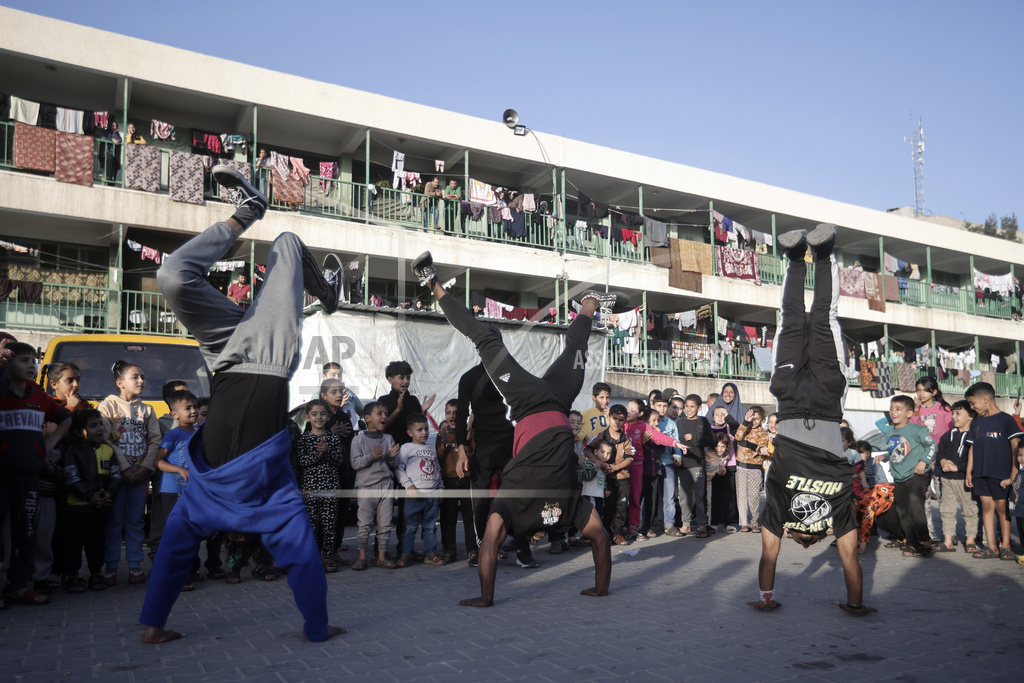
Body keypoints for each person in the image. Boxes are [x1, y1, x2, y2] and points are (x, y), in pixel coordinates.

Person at [138, 164, 345, 643]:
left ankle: (246, 213)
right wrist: (317, 629)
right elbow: (307, 565)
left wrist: (153, 627)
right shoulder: (277, 500)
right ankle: (327, 294)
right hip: (268, 356)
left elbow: (171, 557)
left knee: (171, 275)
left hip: (225, 356)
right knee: (288, 244)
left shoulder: (200, 501)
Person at [411, 250, 613, 605]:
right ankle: (433, 283)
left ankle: (590, 303)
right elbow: (491, 545)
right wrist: (484, 597)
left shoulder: (567, 506)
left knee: (555, 346)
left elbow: (599, 541)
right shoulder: (528, 504)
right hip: (550, 402)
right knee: (490, 339)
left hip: (548, 401)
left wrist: (601, 586)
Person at [751, 223, 875, 615]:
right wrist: (765, 600)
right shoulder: (781, 503)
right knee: (790, 315)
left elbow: (851, 561)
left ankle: (821, 255)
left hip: (825, 394)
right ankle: (794, 258)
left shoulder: (839, 504)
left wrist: (857, 603)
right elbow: (769, 554)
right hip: (787, 396)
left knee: (823, 315)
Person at [0, 342, 71, 607]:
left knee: (25, 532)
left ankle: (19, 586)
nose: (31, 366)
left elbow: (65, 418)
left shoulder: (39, 397)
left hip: (29, 475)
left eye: (33, 360)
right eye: (23, 360)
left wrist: (47, 446)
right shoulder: (2, 393)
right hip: (2, 474)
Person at [454, 361, 534, 569]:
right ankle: (483, 548)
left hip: (511, 445)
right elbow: (462, 413)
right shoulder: (470, 377)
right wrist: (461, 448)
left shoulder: (513, 373)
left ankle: (523, 548)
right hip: (484, 448)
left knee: (517, 499)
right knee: (479, 504)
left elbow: (527, 406)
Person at [98, 360, 161, 586]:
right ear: (120, 382)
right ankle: (111, 567)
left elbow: (155, 440)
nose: (141, 381)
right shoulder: (107, 407)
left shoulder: (147, 409)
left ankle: (135, 566)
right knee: (114, 522)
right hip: (117, 476)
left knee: (135, 522)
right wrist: (124, 467)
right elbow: (104, 439)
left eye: (142, 377)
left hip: (140, 477)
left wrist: (145, 467)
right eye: (135, 377)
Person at [61, 409, 120, 593]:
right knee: (74, 543)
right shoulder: (72, 451)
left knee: (96, 543)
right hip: (77, 509)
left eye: (100, 424)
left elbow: (116, 475)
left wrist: (109, 494)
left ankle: (96, 573)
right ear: (79, 431)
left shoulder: (108, 450)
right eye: (93, 426)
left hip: (99, 509)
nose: (100, 428)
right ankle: (73, 575)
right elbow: (71, 478)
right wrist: (89, 497)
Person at [872, 395, 937, 558]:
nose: (893, 412)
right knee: (902, 510)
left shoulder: (917, 430)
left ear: (909, 413)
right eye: (892, 408)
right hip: (899, 475)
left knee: (915, 503)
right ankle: (911, 542)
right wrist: (885, 456)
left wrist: (923, 462)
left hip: (918, 472)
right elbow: (898, 449)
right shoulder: (890, 431)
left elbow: (932, 445)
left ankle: (924, 542)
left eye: (898, 409)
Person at [149, 390, 201, 590]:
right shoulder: (174, 434)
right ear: (174, 414)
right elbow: (158, 462)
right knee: (173, 534)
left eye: (195, 406)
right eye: (187, 408)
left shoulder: (199, 433)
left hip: (192, 491)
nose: (193, 411)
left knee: (189, 532)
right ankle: (173, 576)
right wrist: (179, 469)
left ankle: (185, 572)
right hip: (172, 491)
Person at [964, 382, 1022, 560]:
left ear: (985, 399)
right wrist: (969, 471)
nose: (972, 407)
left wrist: (1013, 473)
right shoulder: (976, 422)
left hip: (1001, 473)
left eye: (973, 404)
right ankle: (991, 547)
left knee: (1002, 508)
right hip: (981, 473)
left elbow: (1015, 446)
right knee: (987, 507)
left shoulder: (1006, 419)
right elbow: (972, 448)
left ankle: (1005, 546)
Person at [624, 399, 685, 539]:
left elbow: (661, 443)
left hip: (653, 470)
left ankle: (648, 526)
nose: (656, 424)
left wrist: (676, 444)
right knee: (636, 499)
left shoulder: (650, 429)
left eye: (632, 409)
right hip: (636, 469)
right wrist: (644, 441)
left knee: (651, 500)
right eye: (653, 421)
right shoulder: (627, 426)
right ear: (644, 418)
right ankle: (629, 527)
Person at [296, 400, 345, 573]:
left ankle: (328, 557)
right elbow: (302, 462)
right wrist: (319, 453)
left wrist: (327, 451)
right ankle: (312, 557)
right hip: (310, 490)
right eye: (314, 414)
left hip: (330, 488)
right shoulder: (304, 439)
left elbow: (339, 460)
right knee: (312, 525)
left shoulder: (332, 438)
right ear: (307, 417)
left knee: (329, 525)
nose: (319, 417)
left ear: (328, 416)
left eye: (322, 414)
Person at [350, 402, 400, 570]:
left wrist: (392, 457)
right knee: (364, 524)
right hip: (366, 488)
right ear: (368, 418)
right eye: (380, 413)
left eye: (386, 413)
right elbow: (356, 464)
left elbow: (394, 464)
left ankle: (382, 557)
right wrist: (373, 456)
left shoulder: (388, 438)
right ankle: (362, 557)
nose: (384, 417)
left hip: (386, 485)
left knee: (385, 524)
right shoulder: (358, 440)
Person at [397, 413, 445, 566]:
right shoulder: (406, 448)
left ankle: (430, 553)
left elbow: (436, 469)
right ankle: (406, 553)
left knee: (430, 527)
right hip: (414, 495)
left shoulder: (431, 449)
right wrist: (408, 485)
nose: (424, 432)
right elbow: (398, 469)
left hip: (432, 495)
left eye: (426, 429)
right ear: (410, 432)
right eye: (419, 430)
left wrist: (441, 488)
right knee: (410, 527)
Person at [934, 400, 978, 553]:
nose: (953, 417)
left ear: (971, 416)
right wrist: (944, 461)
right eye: (952, 413)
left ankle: (971, 540)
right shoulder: (947, 436)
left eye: (958, 413)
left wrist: (958, 467)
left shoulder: (975, 436)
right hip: (947, 480)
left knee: (970, 510)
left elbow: (975, 460)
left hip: (965, 480)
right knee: (946, 510)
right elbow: (940, 453)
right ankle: (948, 541)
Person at [668, 394, 714, 538]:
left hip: (698, 464)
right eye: (686, 406)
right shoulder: (679, 423)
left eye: (692, 406)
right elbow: (674, 441)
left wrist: (693, 439)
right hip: (682, 464)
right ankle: (686, 524)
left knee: (700, 495)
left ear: (699, 408)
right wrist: (676, 456)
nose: (688, 409)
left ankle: (701, 525)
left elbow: (711, 439)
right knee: (684, 496)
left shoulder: (703, 421)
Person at [587, 404, 634, 544]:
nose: (617, 422)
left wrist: (615, 467)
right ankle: (605, 532)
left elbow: (630, 458)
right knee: (607, 507)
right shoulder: (601, 435)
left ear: (625, 421)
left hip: (622, 478)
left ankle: (618, 534)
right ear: (608, 418)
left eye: (621, 420)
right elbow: (588, 450)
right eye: (614, 418)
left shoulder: (626, 439)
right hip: (605, 479)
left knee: (621, 507)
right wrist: (599, 463)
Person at [437, 398, 475, 563]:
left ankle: (473, 550)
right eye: (448, 413)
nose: (452, 416)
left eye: (456, 413)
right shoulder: (444, 433)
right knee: (448, 517)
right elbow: (439, 458)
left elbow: (474, 458)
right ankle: (449, 550)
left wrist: (468, 444)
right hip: (449, 480)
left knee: (469, 517)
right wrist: (443, 443)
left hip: (467, 480)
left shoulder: (470, 433)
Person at [733, 406, 773, 533]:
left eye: (757, 419)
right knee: (741, 496)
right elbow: (738, 437)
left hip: (755, 468)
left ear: (762, 419)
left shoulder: (763, 433)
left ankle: (755, 522)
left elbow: (761, 446)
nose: (753, 421)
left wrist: (757, 448)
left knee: (754, 496)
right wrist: (745, 422)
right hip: (741, 466)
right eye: (751, 418)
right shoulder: (744, 428)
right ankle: (744, 523)